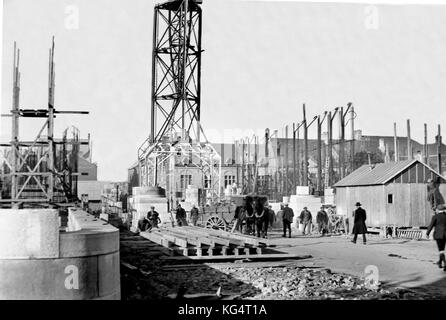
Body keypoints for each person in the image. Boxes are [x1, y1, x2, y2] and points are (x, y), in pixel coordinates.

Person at [426, 204, 446, 270]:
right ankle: (440, 262)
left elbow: (431, 225)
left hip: (438, 235)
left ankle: (445, 264)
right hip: (445, 235)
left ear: (438, 210)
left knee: (441, 250)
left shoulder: (435, 216)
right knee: (442, 249)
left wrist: (427, 233)